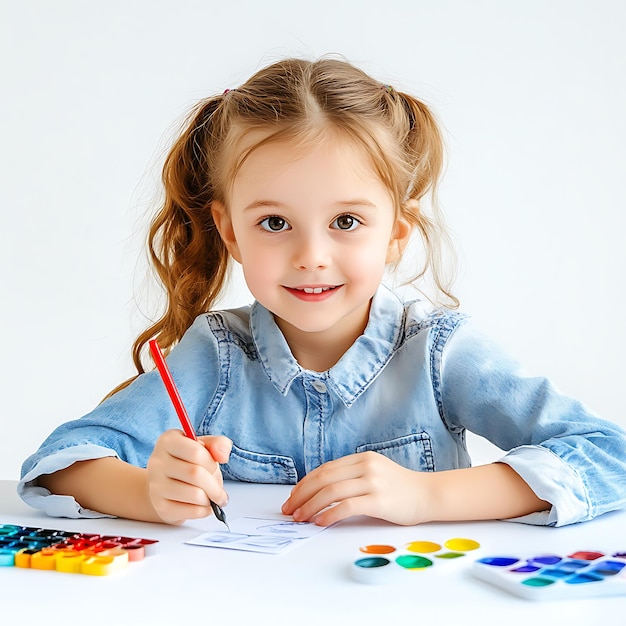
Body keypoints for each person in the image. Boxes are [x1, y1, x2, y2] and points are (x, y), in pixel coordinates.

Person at [19, 57, 626, 528]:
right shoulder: (215, 354)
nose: (312, 256)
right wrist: (147, 492)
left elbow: (608, 457)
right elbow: (59, 463)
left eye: (346, 222)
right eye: (275, 223)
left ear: (396, 233)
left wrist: (426, 495)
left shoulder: (440, 353)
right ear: (231, 232)